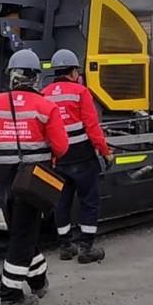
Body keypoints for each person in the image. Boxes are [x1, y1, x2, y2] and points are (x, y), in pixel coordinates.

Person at [0, 49, 68, 305]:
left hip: (2, 179)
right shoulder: (46, 106)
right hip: (32, 180)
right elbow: (61, 147)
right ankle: (10, 294)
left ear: (10, 76)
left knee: (21, 231)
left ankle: (37, 279)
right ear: (36, 77)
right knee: (23, 237)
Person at [42, 49, 113, 263]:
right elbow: (92, 127)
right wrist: (105, 151)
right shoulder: (81, 92)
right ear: (74, 71)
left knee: (61, 202)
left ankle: (65, 246)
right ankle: (86, 248)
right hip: (82, 157)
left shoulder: (44, 93)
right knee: (89, 201)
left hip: (58, 158)